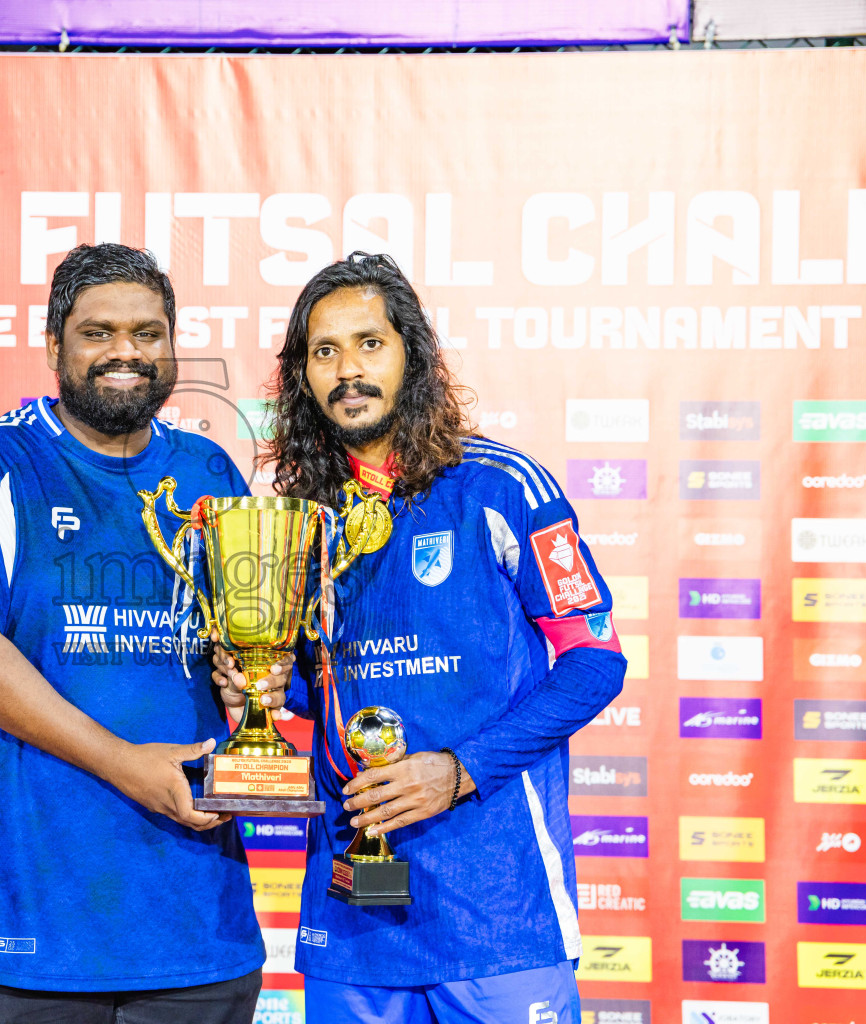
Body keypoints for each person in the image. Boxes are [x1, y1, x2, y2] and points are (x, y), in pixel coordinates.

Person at [0, 242, 285, 1023]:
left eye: (146, 333)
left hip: (195, 919)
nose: (124, 352)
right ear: (53, 347)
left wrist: (253, 683)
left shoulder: (208, 470)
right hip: (32, 916)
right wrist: (121, 764)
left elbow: (240, 643)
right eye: (97, 332)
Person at [234, 252, 627, 1023]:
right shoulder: (297, 522)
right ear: (301, 376)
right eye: (324, 352)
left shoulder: (502, 486)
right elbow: (321, 688)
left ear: (411, 355)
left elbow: (594, 661)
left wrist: (460, 769)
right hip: (355, 918)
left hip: (498, 914)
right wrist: (269, 683)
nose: (348, 370)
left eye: (368, 344)